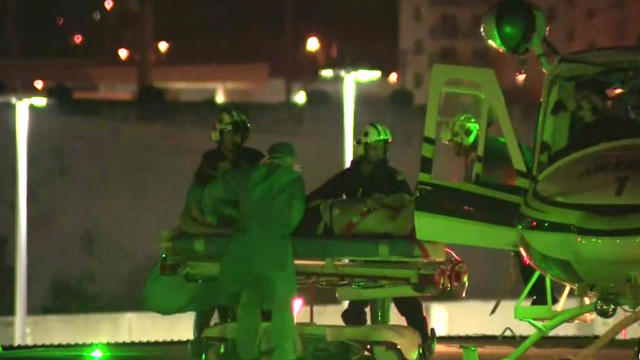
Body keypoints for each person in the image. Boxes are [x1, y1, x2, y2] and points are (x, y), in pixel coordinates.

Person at [307, 123, 434, 356]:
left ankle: (422, 341)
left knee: (402, 299)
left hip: (389, 249)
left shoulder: (391, 176)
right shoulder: (349, 177)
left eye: (382, 147)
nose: (380, 152)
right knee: (362, 295)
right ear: (364, 148)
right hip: (363, 250)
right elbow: (322, 193)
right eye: (375, 147)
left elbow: (406, 204)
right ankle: (359, 341)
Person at [183, 108, 264, 357]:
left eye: (239, 133)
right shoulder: (209, 162)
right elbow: (197, 197)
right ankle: (199, 346)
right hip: (214, 243)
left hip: (242, 240)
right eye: (230, 132)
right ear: (219, 134)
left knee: (247, 303)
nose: (235, 138)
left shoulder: (252, 159)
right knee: (207, 301)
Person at [216, 142, 305, 360]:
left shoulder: (250, 176)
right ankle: (283, 355)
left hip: (246, 251)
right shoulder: (292, 179)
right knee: (282, 307)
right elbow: (295, 214)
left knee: (249, 304)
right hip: (274, 250)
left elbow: (221, 193)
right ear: (289, 159)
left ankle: (246, 353)